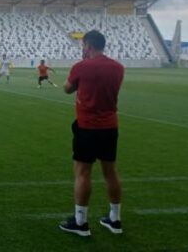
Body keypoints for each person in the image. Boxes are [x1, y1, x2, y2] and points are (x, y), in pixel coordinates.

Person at [58, 30, 125, 237]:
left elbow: (67, 89)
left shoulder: (81, 66)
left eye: (83, 46)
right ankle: (115, 220)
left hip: (87, 127)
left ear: (88, 45)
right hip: (110, 126)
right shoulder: (118, 68)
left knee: (83, 172)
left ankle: (81, 223)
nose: (82, 49)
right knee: (110, 172)